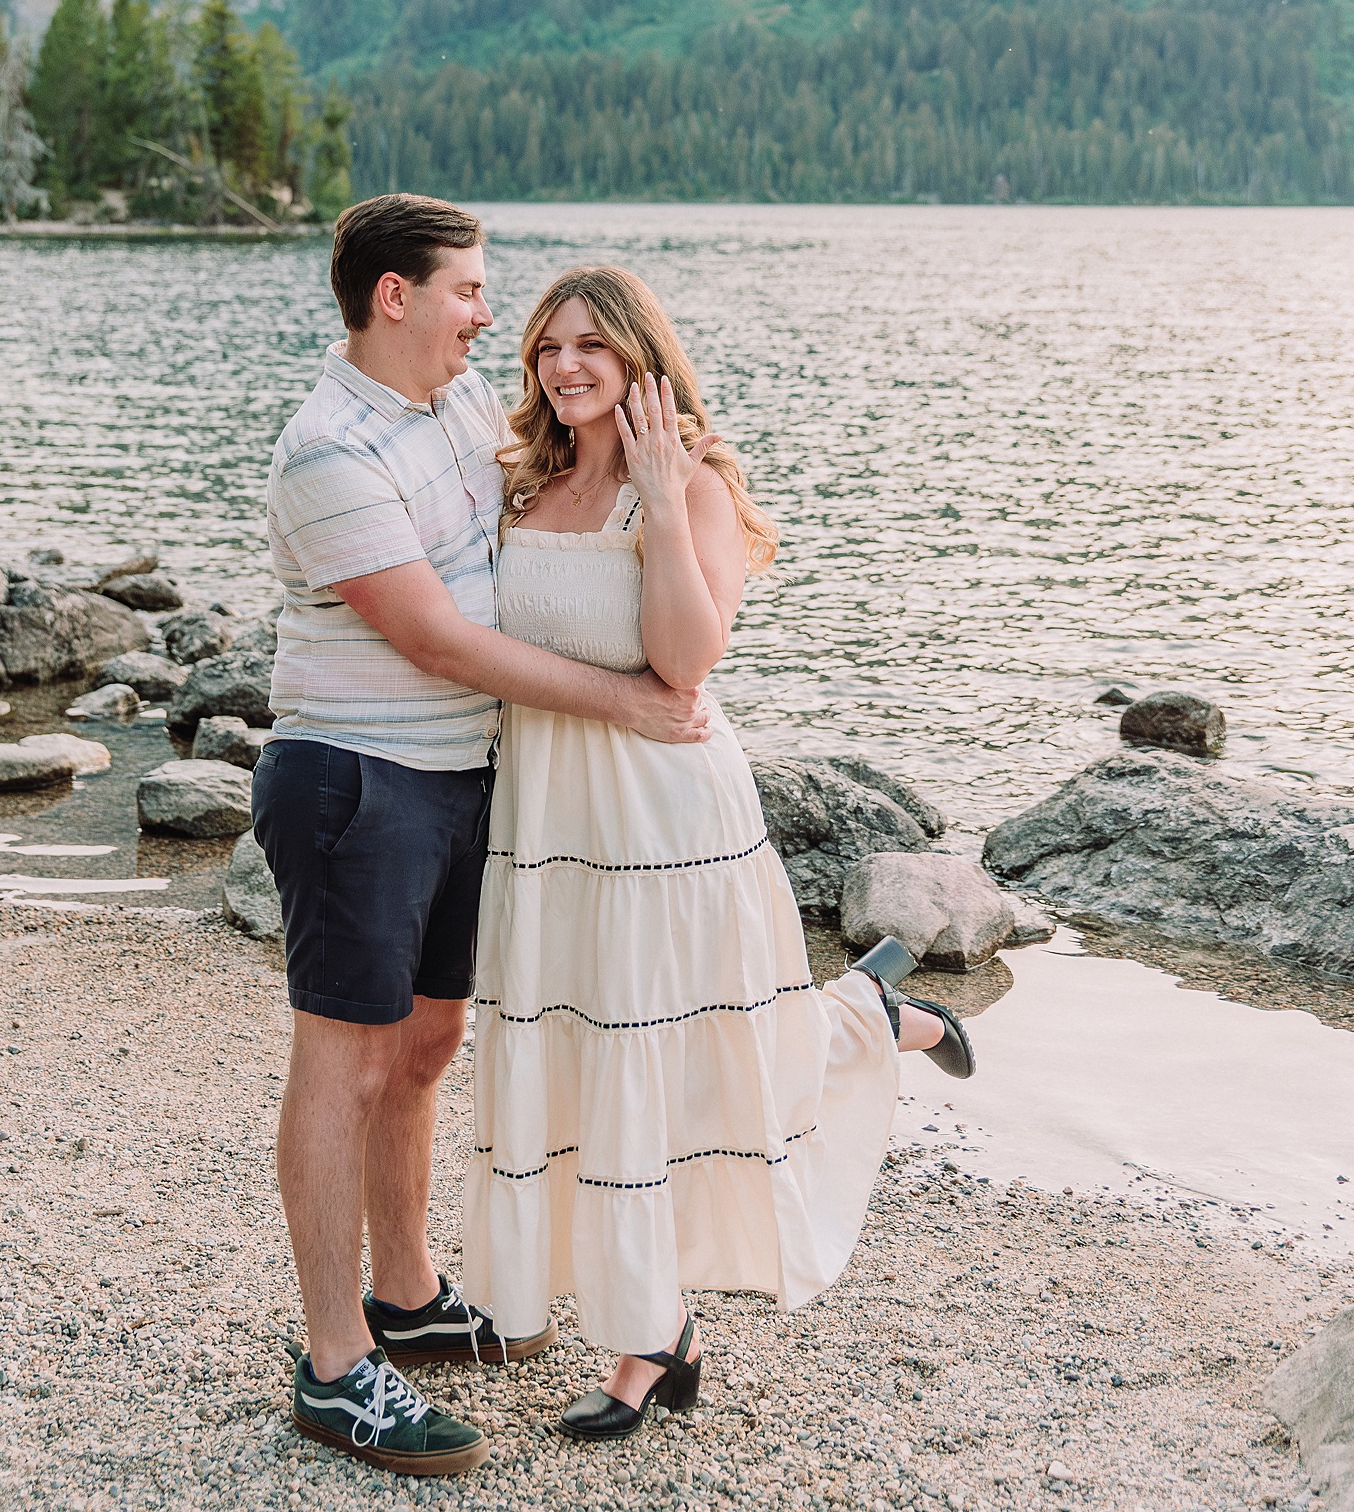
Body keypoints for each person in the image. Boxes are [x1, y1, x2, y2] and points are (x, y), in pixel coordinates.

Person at [464, 266, 974, 1441]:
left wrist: (653, 494)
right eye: (547, 347)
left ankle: (650, 1343)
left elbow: (685, 663)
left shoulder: (689, 484)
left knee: (671, 1056)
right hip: (545, 817)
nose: (564, 366)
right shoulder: (523, 479)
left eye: (591, 346)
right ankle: (874, 1013)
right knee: (587, 1048)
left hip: (661, 815)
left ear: (640, 357)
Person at [251, 198, 711, 1480]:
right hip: (356, 780)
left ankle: (406, 1294)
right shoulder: (327, 451)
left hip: (461, 781)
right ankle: (337, 1364)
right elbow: (438, 640)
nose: (484, 315)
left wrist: (663, 487)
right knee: (344, 1064)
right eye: (465, 289)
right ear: (393, 297)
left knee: (426, 1046)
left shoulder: (452, 404)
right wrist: (627, 701)